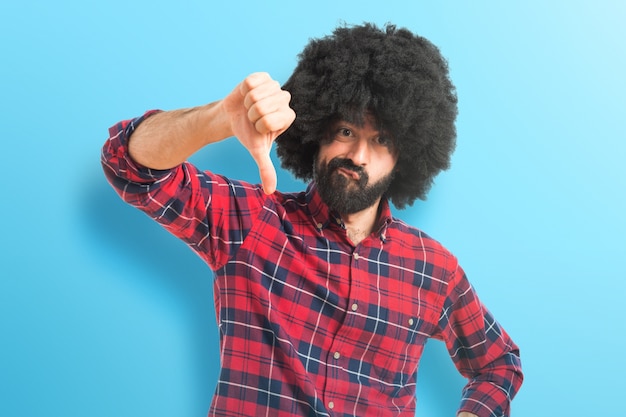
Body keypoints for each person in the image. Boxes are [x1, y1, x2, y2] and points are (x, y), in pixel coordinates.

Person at [101, 23, 522, 417]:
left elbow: (499, 363)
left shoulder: (431, 268)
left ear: (405, 156)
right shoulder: (251, 221)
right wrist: (215, 120)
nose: (358, 156)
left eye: (380, 141)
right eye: (345, 131)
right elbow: (128, 166)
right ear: (317, 132)